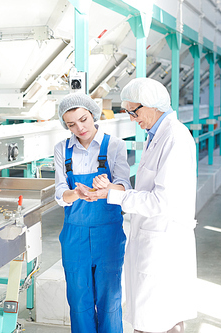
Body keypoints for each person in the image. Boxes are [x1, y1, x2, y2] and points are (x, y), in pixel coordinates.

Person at [85, 78, 198, 333]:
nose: (132, 119)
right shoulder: (156, 134)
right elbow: (149, 189)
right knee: (153, 318)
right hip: (152, 237)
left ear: (152, 106)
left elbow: (161, 202)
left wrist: (114, 197)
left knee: (159, 319)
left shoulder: (175, 139)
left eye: (133, 112)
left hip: (163, 242)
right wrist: (112, 189)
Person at [53, 92, 131, 333]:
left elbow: (125, 186)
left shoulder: (115, 145)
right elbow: (59, 194)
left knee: (109, 298)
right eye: (71, 124)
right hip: (74, 234)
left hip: (108, 233)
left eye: (84, 119)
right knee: (78, 298)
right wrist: (76, 193)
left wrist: (107, 188)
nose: (80, 128)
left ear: (93, 115)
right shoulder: (61, 149)